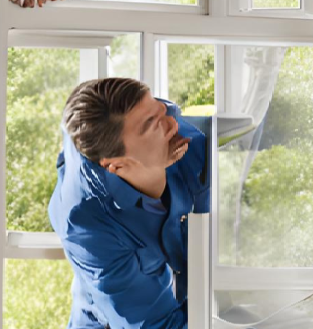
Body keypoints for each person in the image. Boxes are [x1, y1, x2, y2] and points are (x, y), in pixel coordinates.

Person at [47, 77, 208, 329]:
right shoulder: (87, 228)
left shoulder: (172, 134)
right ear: (117, 165)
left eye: (159, 108)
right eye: (151, 125)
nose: (172, 123)